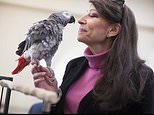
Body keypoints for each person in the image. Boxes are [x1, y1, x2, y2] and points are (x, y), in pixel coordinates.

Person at [29, 0, 154, 114]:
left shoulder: (142, 77)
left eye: (93, 15)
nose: (80, 20)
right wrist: (51, 96)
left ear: (113, 30)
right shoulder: (74, 65)